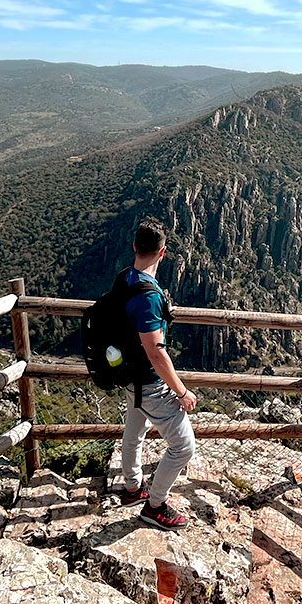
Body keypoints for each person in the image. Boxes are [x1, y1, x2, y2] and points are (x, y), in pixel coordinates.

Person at [119, 217, 197, 530]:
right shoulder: (150, 297)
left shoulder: (125, 278)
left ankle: (131, 488)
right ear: (162, 253)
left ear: (135, 246)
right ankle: (154, 506)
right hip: (150, 383)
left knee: (134, 433)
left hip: (129, 376)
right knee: (183, 447)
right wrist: (181, 391)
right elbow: (156, 351)